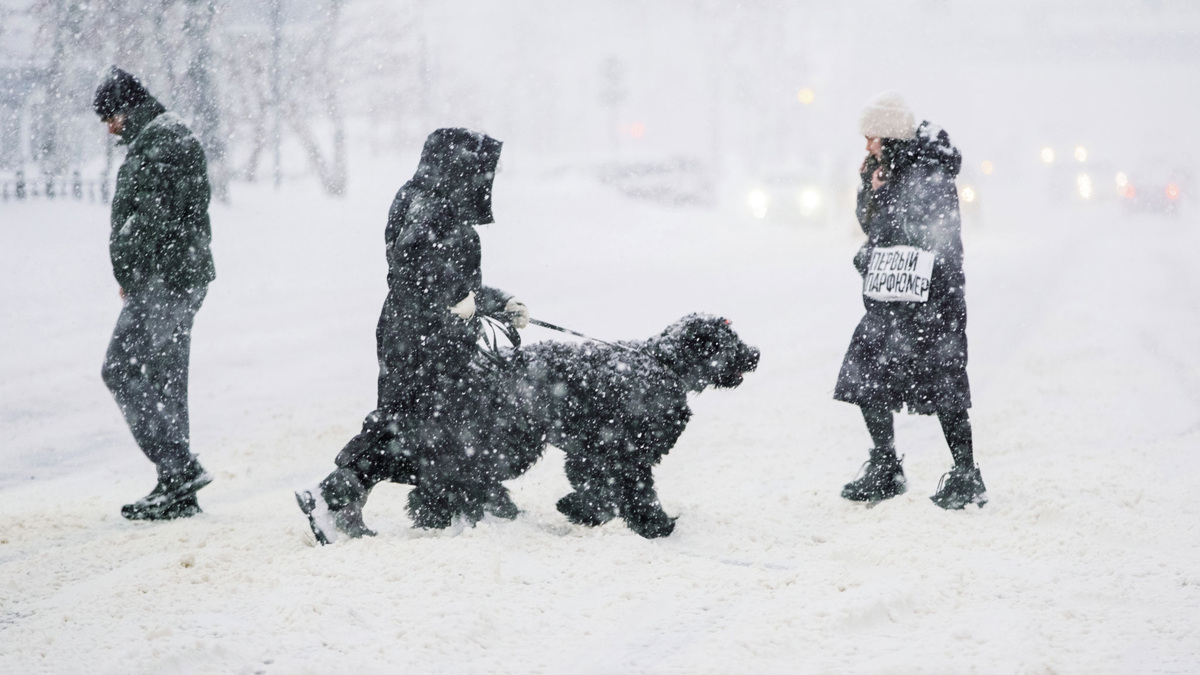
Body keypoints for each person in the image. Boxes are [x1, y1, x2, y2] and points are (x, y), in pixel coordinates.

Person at [297, 128, 530, 544]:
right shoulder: (430, 203)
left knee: (429, 422)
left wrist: (498, 301)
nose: (482, 180)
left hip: (423, 332)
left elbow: (448, 276)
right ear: (458, 166)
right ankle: (334, 497)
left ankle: (459, 501)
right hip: (420, 337)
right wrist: (458, 298)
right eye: (477, 170)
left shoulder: (432, 199)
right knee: (408, 421)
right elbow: (412, 261)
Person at [834, 92, 987, 509]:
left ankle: (966, 474)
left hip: (933, 300)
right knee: (866, 374)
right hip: (891, 300)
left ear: (890, 135)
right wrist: (871, 187)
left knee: (944, 385)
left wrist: (884, 197)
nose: (866, 145)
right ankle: (885, 466)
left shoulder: (929, 172)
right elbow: (872, 224)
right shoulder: (889, 169)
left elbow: (924, 231)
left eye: (872, 137)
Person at [94, 66, 216, 520]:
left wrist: (132, 269)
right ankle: (178, 491)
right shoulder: (163, 138)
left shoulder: (161, 143)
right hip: (175, 275)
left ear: (128, 108)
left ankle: (179, 468)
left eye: (110, 117)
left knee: (121, 369)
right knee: (166, 380)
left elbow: (152, 220)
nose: (108, 128)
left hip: (166, 279)